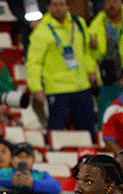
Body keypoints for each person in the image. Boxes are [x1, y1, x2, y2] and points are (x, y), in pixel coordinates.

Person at [26, 0, 97, 136]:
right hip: (57, 90)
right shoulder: (41, 30)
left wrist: (92, 71)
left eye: (62, 4)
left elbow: (85, 51)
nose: (59, 8)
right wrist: (36, 88)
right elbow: (33, 63)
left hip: (82, 87)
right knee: (56, 135)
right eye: (55, 5)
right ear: (48, 7)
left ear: (68, 6)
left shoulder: (78, 23)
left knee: (88, 133)